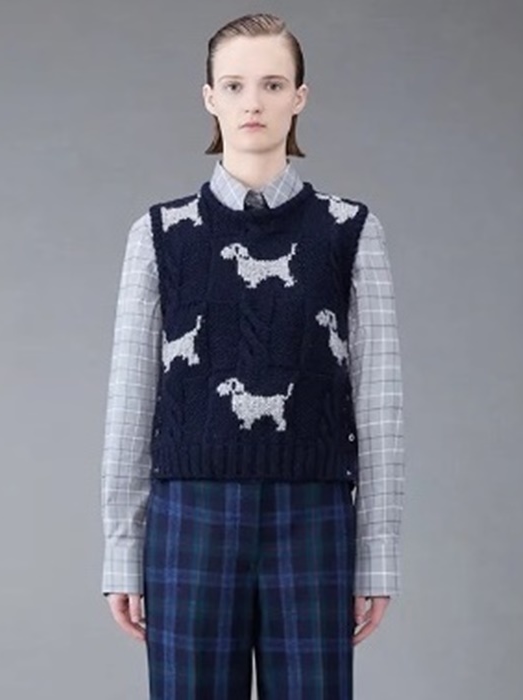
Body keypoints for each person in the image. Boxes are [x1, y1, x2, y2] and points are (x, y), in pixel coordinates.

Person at [100, 12, 405, 700]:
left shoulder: (349, 231)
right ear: (209, 97)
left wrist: (376, 558)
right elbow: (131, 401)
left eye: (272, 84)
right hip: (189, 520)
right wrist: (122, 549)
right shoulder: (159, 236)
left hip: (314, 519)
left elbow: (379, 405)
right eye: (235, 85)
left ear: (300, 96)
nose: (253, 103)